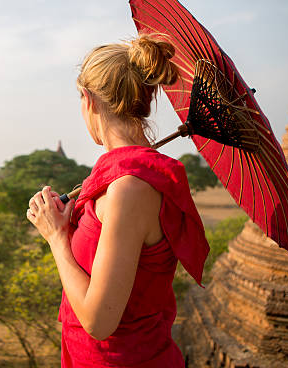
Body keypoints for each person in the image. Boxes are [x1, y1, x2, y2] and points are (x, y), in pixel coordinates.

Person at [26, 35, 210, 367]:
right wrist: (70, 224)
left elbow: (99, 322)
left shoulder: (130, 189)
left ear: (88, 99)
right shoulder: (119, 181)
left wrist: (56, 238)